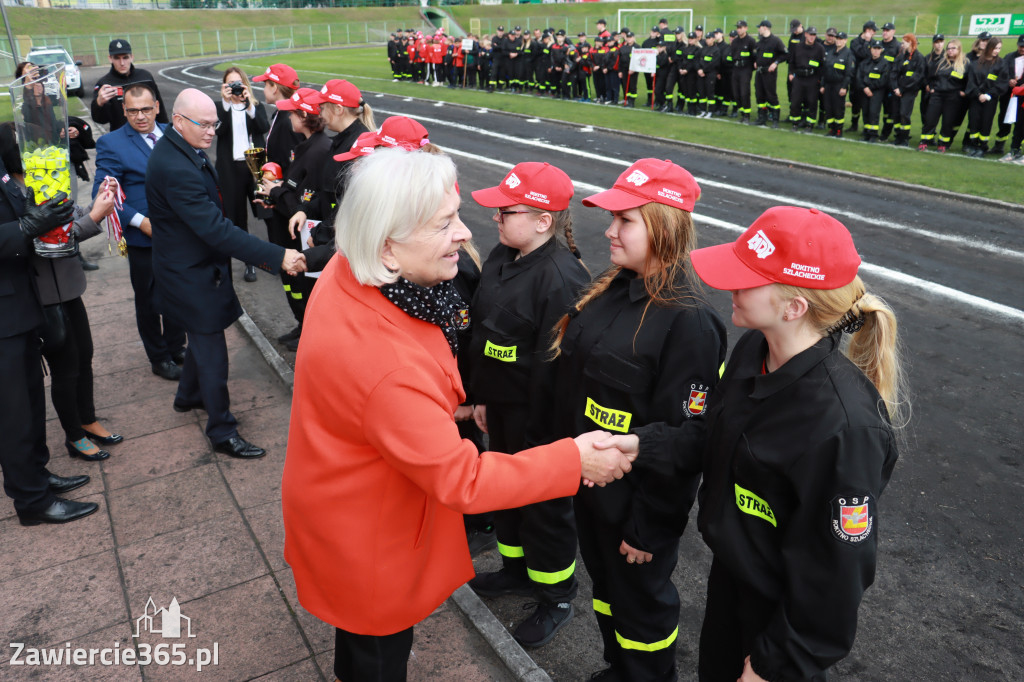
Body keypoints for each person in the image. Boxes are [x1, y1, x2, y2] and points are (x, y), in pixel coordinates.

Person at [281, 148, 634, 682]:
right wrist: (575, 460)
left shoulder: (354, 268)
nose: (465, 234)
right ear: (388, 247)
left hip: (349, 512)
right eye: (445, 222)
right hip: (371, 539)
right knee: (376, 657)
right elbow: (462, 479)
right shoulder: (386, 363)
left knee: (363, 649)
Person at [680, 206, 905, 682]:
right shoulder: (753, 350)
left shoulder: (844, 427)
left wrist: (774, 664)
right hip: (733, 581)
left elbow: (835, 577)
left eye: (746, 279)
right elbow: (716, 437)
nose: (729, 288)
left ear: (794, 306)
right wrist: (642, 447)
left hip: (782, 619)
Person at [551, 158, 727, 681]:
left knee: (642, 610)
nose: (608, 230)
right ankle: (620, 668)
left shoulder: (690, 321)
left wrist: (650, 529)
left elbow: (688, 439)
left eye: (625, 220)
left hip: (636, 507)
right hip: (591, 487)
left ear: (664, 225)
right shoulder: (615, 288)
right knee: (607, 594)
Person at [466, 162, 591, 648]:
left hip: (539, 419)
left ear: (543, 220)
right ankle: (516, 569)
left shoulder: (561, 278)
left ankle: (556, 594)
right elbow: (482, 332)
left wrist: (545, 435)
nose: (496, 218)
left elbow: (555, 370)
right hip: (500, 408)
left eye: (507, 210)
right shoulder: (503, 254)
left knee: (545, 508)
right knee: (506, 496)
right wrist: (481, 396)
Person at [146, 89, 306, 459]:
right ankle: (221, 429)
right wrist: (277, 255)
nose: (212, 132)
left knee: (203, 341)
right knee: (212, 350)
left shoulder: (178, 148)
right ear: (180, 121)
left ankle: (187, 396)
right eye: (204, 124)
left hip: (190, 267)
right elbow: (215, 229)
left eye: (215, 124)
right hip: (191, 274)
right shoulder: (174, 165)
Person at [0, 147, 97, 525]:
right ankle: (31, 502)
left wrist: (41, 210)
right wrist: (26, 226)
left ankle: (36, 477)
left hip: (19, 303)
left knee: (29, 405)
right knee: (13, 415)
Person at [93, 82, 186, 382]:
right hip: (143, 238)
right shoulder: (112, 143)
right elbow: (103, 195)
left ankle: (177, 346)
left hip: (179, 233)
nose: (140, 117)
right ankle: (158, 357)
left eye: (146, 109)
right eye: (132, 111)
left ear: (157, 106)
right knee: (148, 300)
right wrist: (141, 223)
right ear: (124, 111)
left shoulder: (174, 133)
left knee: (177, 292)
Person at [30, 184, 120, 462]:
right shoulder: (12, 191)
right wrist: (93, 218)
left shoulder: (45, 171)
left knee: (84, 356)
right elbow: (43, 237)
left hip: (69, 287)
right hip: (40, 294)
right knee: (65, 368)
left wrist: (99, 202)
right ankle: (74, 436)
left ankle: (87, 420)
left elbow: (70, 213)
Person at [254, 88, 332, 352]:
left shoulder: (318, 151)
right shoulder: (307, 147)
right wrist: (274, 193)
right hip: (291, 227)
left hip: (303, 234)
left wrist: (275, 191)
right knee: (294, 284)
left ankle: (309, 330)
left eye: (292, 112)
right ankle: (302, 324)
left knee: (304, 284)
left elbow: (304, 202)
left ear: (303, 116)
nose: (287, 117)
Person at [287, 79, 375, 265]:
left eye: (323, 107)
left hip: (346, 244)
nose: (320, 113)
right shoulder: (339, 141)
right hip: (334, 238)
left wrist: (320, 234)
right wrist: (304, 209)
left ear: (338, 109)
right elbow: (326, 191)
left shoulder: (359, 145)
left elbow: (350, 203)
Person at [251, 63, 305, 345]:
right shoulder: (281, 116)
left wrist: (277, 193)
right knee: (288, 270)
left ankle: (306, 324)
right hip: (281, 203)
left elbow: (295, 169)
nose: (262, 88)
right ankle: (301, 322)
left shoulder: (287, 121)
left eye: (265, 84)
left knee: (294, 267)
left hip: (287, 210)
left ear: (275, 87)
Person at [215, 66, 269, 283]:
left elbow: (262, 127)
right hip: (231, 170)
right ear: (224, 87)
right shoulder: (220, 108)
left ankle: (277, 256)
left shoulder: (255, 106)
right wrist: (227, 104)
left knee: (266, 213)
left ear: (245, 84)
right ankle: (248, 262)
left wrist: (248, 105)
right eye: (230, 84)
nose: (235, 87)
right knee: (236, 218)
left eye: (238, 83)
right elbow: (220, 131)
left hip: (254, 168)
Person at [91, 39, 168, 132]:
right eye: (117, 58)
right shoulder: (104, 84)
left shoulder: (146, 77)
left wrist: (166, 131)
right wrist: (99, 103)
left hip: (150, 134)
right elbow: (101, 120)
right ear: (110, 58)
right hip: (122, 138)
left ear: (131, 57)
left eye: (125, 57)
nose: (122, 63)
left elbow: (160, 109)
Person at [919, 39, 968, 153]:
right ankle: (924, 141)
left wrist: (964, 91)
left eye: (953, 48)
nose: (950, 51)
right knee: (930, 119)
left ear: (959, 49)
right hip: (938, 95)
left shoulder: (965, 64)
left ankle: (943, 144)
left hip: (953, 97)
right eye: (948, 48)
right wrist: (931, 87)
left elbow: (968, 80)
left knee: (948, 122)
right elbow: (931, 76)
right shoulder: (941, 62)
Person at [964, 38, 1010, 157]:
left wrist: (988, 95)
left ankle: (982, 147)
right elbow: (971, 81)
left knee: (986, 122)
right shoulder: (977, 63)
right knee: (974, 121)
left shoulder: (1001, 64)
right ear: (989, 47)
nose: (997, 51)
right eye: (995, 48)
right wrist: (978, 94)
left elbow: (1002, 83)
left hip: (990, 99)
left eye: (999, 48)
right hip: (976, 98)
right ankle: (973, 145)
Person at [889, 34, 927, 147]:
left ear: (910, 42)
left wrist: (902, 89)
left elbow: (917, 77)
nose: (902, 44)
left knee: (904, 114)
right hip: (897, 91)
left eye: (904, 42)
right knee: (895, 113)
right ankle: (898, 136)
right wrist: (895, 87)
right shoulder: (901, 56)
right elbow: (894, 72)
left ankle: (904, 138)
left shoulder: (919, 58)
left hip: (909, 91)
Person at [788, 26, 825, 131]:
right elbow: (792, 62)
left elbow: (823, 66)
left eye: (814, 35)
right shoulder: (798, 47)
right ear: (806, 34)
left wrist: (819, 80)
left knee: (812, 102)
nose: (812, 37)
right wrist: (791, 73)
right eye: (810, 34)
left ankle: (810, 124)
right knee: (795, 101)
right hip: (799, 78)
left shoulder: (819, 48)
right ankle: (795, 123)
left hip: (812, 78)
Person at [994, 35, 1024, 159]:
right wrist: (1008, 81)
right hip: (1008, 95)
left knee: (1021, 122)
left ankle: (1017, 147)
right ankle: (999, 145)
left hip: (1022, 96)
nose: (1022, 48)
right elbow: (1002, 72)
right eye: (1021, 46)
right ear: (1017, 45)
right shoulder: (1009, 57)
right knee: (1004, 119)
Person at [857, 40, 892, 142]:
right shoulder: (865, 63)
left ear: (881, 50)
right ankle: (867, 133)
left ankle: (873, 134)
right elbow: (859, 77)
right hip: (865, 90)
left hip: (877, 92)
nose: (876, 51)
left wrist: (870, 87)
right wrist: (864, 87)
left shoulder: (885, 64)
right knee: (866, 112)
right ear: (870, 49)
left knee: (873, 112)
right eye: (874, 49)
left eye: (878, 49)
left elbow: (883, 80)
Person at [752, 20, 785, 127]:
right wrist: (756, 61)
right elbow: (757, 54)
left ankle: (775, 120)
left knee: (771, 95)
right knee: (759, 95)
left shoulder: (776, 41)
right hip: (759, 72)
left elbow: (785, 54)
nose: (758, 29)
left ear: (765, 27)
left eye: (759, 27)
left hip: (769, 73)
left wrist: (775, 63)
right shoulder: (760, 41)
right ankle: (762, 118)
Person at [821, 31, 853, 137]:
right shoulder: (831, 52)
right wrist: (822, 85)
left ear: (845, 41)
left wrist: (844, 87)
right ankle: (831, 129)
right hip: (828, 84)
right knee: (828, 108)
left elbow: (848, 73)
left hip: (839, 85)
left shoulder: (848, 54)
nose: (838, 41)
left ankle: (838, 130)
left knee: (838, 108)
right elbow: (824, 70)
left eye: (841, 39)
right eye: (837, 39)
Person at [848, 21, 878, 132]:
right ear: (867, 30)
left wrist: (868, 42)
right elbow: (862, 54)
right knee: (855, 102)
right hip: (856, 78)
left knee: (866, 104)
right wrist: (866, 42)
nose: (874, 33)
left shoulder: (875, 43)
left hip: (868, 78)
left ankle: (867, 128)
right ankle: (854, 124)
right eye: (872, 30)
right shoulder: (854, 42)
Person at [731, 20, 757, 123]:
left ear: (746, 28)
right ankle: (742, 113)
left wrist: (750, 68)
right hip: (736, 69)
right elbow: (733, 55)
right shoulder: (735, 41)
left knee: (744, 92)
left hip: (746, 69)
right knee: (736, 93)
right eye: (737, 27)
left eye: (740, 27)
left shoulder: (751, 41)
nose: (739, 29)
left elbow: (754, 56)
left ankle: (747, 115)